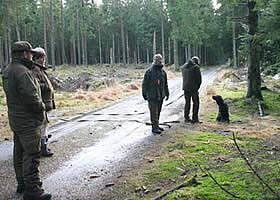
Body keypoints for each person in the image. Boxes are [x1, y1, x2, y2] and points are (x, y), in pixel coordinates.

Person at [2, 41, 51, 200]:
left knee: (19, 152)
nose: (32, 56)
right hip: (28, 120)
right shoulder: (23, 72)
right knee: (32, 153)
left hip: (16, 119)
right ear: (24, 54)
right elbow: (31, 97)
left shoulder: (9, 69)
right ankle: (33, 190)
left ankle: (22, 183)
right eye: (30, 53)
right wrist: (41, 108)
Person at [32, 47, 55, 157]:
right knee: (42, 126)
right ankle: (42, 148)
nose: (43, 60)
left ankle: (43, 146)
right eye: (40, 58)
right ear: (35, 58)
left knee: (45, 125)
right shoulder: (35, 69)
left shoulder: (40, 69)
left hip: (45, 103)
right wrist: (46, 86)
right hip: (41, 103)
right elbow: (34, 85)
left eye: (43, 57)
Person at [142, 54, 169, 134]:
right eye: (156, 60)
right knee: (154, 112)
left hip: (161, 95)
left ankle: (156, 125)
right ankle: (154, 128)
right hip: (152, 96)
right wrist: (144, 94)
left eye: (159, 59)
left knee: (158, 111)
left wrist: (167, 93)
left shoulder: (163, 72)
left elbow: (165, 84)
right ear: (154, 61)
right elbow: (144, 84)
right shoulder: (149, 71)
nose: (158, 61)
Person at [182, 56, 202, 123]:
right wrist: (197, 88)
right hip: (193, 89)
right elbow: (199, 80)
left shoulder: (184, 66)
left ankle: (186, 118)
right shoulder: (196, 67)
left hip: (185, 88)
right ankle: (195, 118)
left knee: (187, 103)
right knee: (196, 103)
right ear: (197, 61)